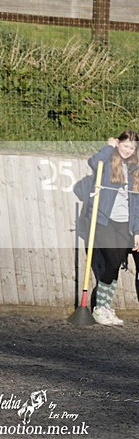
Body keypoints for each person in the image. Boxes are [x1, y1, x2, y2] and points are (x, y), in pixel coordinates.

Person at [85, 130, 139, 325]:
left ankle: (106, 307)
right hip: (105, 220)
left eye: (132, 148)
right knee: (113, 261)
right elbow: (93, 162)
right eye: (125, 146)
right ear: (118, 144)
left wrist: (136, 230)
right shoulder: (108, 161)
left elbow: (136, 204)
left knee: (116, 265)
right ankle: (100, 307)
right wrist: (108, 147)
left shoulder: (135, 168)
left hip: (125, 223)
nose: (128, 150)